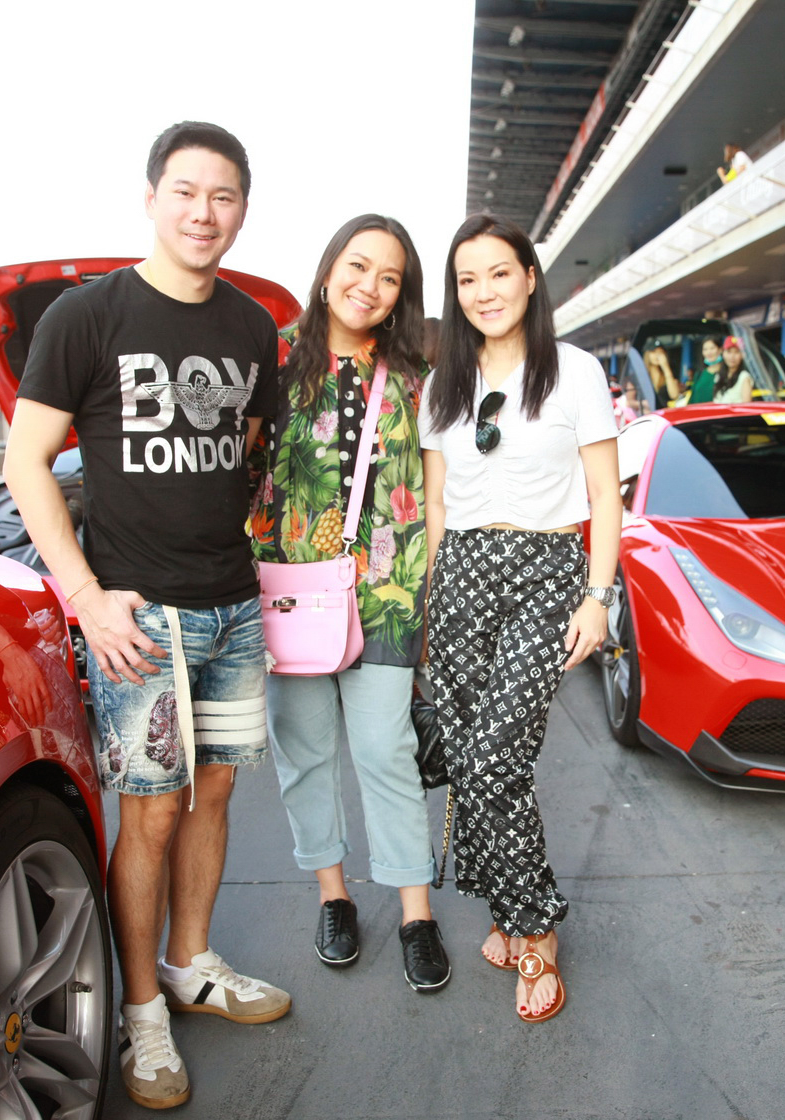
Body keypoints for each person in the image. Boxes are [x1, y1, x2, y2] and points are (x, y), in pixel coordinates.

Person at [2, 120, 290, 1111]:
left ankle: (192, 962)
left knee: (214, 800)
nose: (204, 212)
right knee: (152, 814)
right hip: (138, 616)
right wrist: (84, 596)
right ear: (152, 197)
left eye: (224, 197)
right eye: (186, 191)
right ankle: (140, 1015)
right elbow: (24, 463)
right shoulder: (87, 317)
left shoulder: (253, 330)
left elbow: (249, 457)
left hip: (233, 607)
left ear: (243, 208)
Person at [419, 213, 622, 1024]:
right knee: (473, 757)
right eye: (468, 279)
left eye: (499, 273)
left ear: (529, 278)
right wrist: (434, 608)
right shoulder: (445, 380)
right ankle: (504, 910)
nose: (484, 292)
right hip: (463, 572)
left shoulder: (573, 371)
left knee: (498, 755)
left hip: (546, 571)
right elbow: (436, 506)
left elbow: (606, 496)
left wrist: (597, 598)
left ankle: (535, 928)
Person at [249, 214, 450, 993]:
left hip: (390, 595)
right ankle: (334, 898)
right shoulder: (272, 362)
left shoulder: (413, 379)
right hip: (290, 593)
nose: (369, 286)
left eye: (389, 276)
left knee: (386, 753)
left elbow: (432, 495)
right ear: (329, 267)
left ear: (402, 294)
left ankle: (414, 911)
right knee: (304, 754)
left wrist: (432, 601)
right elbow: (237, 468)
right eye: (358, 266)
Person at [712, 336, 755, 403]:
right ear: (723, 353)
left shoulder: (744, 377)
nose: (732, 356)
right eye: (729, 352)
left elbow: (746, 406)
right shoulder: (719, 375)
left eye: (736, 352)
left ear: (742, 355)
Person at [685, 337, 723, 404]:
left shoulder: (727, 373)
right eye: (705, 349)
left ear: (720, 350)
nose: (709, 352)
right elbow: (692, 399)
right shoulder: (699, 374)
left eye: (712, 348)